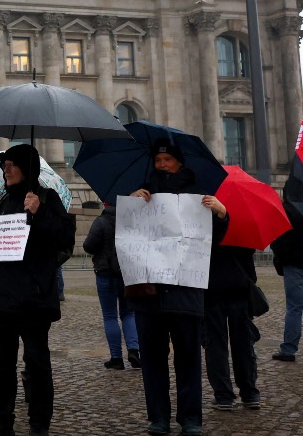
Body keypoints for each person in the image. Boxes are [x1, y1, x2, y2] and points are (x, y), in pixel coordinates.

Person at [0, 144, 76, 436]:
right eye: (4, 165)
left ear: (27, 167)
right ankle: (2, 421)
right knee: (3, 362)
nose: (6, 170)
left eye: (12, 165)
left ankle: (39, 423)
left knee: (36, 362)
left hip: (34, 297)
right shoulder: (0, 202)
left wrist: (40, 213)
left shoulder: (45, 199)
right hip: (2, 297)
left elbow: (64, 240)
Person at [126, 139, 229, 436]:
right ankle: (158, 417)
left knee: (188, 360)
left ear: (179, 163)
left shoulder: (199, 196)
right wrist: (133, 204)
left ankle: (191, 419)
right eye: (158, 161)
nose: (162, 165)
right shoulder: (142, 194)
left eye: (167, 160)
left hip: (186, 291)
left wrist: (221, 213)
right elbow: (128, 238)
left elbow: (214, 242)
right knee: (153, 362)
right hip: (150, 294)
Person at [82, 199, 141, 370]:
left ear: (105, 204)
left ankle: (116, 358)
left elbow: (88, 246)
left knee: (110, 317)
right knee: (129, 314)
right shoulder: (131, 221)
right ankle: (134, 350)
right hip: (126, 273)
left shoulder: (100, 221)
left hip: (105, 273)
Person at [203, 242, 261, 410]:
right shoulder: (242, 221)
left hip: (211, 286)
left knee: (215, 344)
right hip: (239, 285)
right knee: (243, 342)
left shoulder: (205, 221)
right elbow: (248, 251)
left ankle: (223, 396)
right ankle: (249, 392)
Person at [270, 196, 303, 362]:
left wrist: (281, 259)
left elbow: (277, 238)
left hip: (294, 263)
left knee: (294, 308)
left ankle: (289, 350)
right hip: (293, 262)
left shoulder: (287, 210)